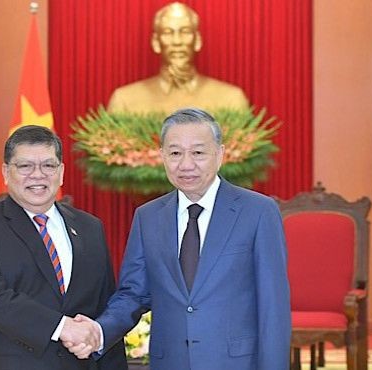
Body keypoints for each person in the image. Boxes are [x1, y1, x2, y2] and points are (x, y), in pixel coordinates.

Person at [65, 108, 291, 370]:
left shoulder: (257, 211)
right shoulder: (148, 217)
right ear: (162, 156)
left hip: (235, 362)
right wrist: (99, 330)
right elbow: (134, 294)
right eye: (175, 153)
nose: (186, 164)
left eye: (198, 153)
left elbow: (273, 306)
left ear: (220, 154)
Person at [0, 125, 127, 370]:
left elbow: (103, 303)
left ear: (61, 172)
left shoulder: (90, 227)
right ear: (6, 172)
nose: (38, 175)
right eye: (25, 166)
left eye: (48, 165)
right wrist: (61, 327)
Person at [107, 2, 250, 114]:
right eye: (168, 32)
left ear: (197, 40)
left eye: (185, 32)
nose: (177, 41)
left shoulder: (231, 99)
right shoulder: (124, 100)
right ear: (156, 42)